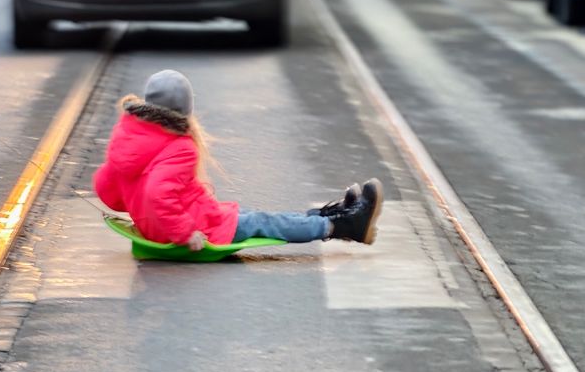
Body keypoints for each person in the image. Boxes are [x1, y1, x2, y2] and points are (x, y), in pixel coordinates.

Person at [92, 69, 381, 249]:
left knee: (257, 216)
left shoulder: (128, 136)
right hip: (194, 228)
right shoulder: (179, 146)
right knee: (266, 223)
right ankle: (341, 226)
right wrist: (184, 233)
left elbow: (109, 191)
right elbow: (157, 193)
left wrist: (137, 205)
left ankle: (330, 215)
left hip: (169, 224)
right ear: (184, 111)